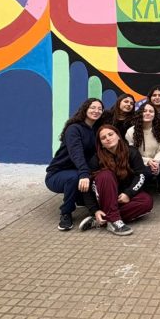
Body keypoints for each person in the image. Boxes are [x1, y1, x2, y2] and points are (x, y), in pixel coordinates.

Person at [80, 124, 153, 236]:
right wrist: (94, 210)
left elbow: (141, 176)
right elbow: (88, 187)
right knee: (106, 175)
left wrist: (129, 194)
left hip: (121, 198)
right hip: (103, 199)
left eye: (110, 134)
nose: (108, 138)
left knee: (146, 201)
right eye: (103, 138)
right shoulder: (96, 159)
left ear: (118, 136)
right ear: (102, 144)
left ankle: (102, 220)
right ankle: (114, 220)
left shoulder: (132, 152)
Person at [45, 98, 104, 231]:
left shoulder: (96, 130)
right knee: (74, 177)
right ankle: (66, 213)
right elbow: (76, 153)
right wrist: (84, 173)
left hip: (78, 171)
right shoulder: (74, 129)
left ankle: (84, 202)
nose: (96, 111)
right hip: (57, 174)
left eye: (99, 109)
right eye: (93, 107)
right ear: (85, 109)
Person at [125, 102, 160, 194]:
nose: (148, 113)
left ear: (155, 115)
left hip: (158, 157)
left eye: (151, 111)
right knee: (145, 173)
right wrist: (148, 161)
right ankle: (146, 185)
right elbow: (132, 153)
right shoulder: (131, 131)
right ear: (140, 113)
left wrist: (155, 162)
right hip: (140, 160)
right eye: (144, 111)